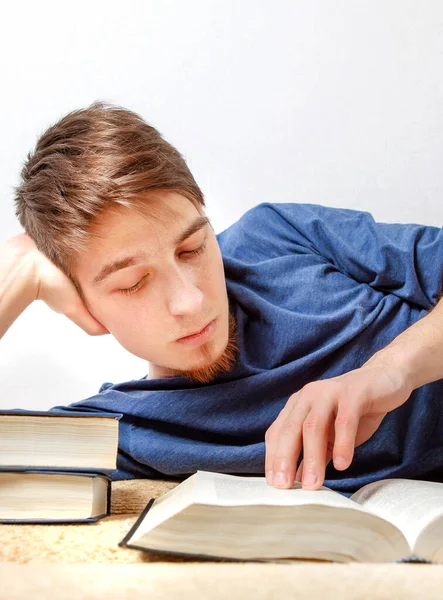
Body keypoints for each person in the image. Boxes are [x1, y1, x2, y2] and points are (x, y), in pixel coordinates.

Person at [2, 102, 443, 496]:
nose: (191, 301)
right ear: (84, 304)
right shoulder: (129, 429)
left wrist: (392, 371)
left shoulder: (276, 236)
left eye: (192, 249)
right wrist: (16, 272)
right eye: (134, 282)